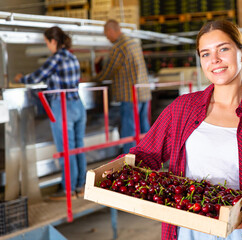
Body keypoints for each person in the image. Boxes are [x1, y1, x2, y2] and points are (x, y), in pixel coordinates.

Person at [125, 20, 242, 240]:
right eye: (205, 54)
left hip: (241, 231)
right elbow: (145, 156)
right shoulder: (182, 109)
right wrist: (114, 171)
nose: (214, 60)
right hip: (187, 230)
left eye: (223, 49)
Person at [14, 26, 87, 200]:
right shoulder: (72, 57)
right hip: (78, 105)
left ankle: (68, 192)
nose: (47, 46)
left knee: (66, 151)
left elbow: (36, 77)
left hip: (63, 107)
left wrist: (20, 79)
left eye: (47, 42)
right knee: (78, 148)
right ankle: (81, 187)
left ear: (53, 41)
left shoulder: (56, 59)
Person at [94, 19, 151, 154]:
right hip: (144, 92)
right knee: (144, 130)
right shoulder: (134, 43)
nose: (107, 38)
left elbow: (110, 70)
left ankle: (130, 162)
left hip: (130, 95)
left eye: (106, 34)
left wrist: (96, 78)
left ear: (111, 30)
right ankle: (149, 158)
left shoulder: (119, 47)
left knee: (129, 131)